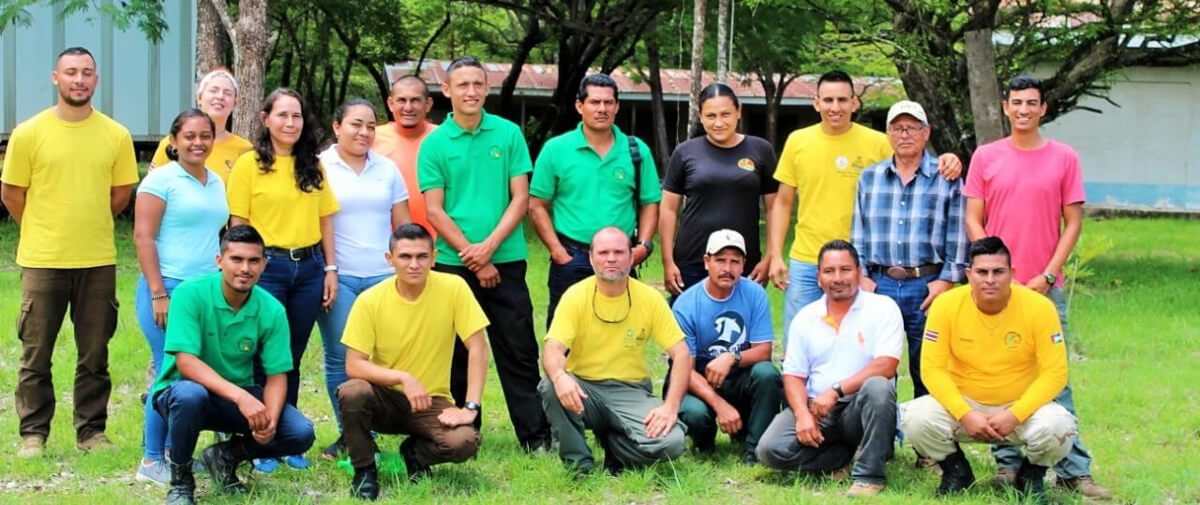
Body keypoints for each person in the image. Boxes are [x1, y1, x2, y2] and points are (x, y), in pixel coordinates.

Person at [963, 75, 1110, 499]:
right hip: (993, 289)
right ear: (1005, 108)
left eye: (1032, 103)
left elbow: (1074, 222)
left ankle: (1074, 470)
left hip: (1045, 286)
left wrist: (1047, 274)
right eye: (1016, 102)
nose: (1024, 109)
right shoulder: (986, 157)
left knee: (1054, 377)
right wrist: (992, 270)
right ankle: (1009, 467)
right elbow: (975, 219)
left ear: (1044, 108)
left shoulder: (1064, 158)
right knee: (1001, 374)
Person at [2, 46, 139, 458]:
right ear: (55, 78)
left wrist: (88, 221)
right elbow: (12, 194)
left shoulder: (116, 135)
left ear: (96, 80)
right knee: (35, 352)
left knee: (95, 353)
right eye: (71, 72)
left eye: (87, 73)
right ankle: (33, 434)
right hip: (43, 260)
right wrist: (44, 227)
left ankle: (91, 432)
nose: (79, 79)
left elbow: (120, 195)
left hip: (97, 260)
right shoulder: (29, 133)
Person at [418, 56, 550, 451]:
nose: (471, 92)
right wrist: (472, 255)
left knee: (519, 350)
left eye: (478, 84)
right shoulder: (435, 144)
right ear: (447, 91)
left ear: (487, 88)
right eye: (462, 85)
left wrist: (489, 250)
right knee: (456, 354)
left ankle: (535, 436)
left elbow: (521, 197)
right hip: (452, 266)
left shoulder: (508, 135)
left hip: (505, 262)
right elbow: (434, 210)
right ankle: (463, 433)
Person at [766, 70, 962, 337]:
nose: (835, 107)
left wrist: (949, 158)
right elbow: (783, 201)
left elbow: (912, 159)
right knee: (800, 339)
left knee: (854, 342)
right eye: (828, 100)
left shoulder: (879, 142)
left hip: (856, 264)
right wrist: (776, 254)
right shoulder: (798, 141)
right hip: (806, 258)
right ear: (816, 103)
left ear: (854, 102)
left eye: (843, 100)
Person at [900, 237, 1077, 502]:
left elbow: (1055, 373)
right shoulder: (946, 305)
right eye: (982, 272)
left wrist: (1015, 414)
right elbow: (932, 369)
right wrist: (966, 414)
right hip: (965, 406)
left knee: (1059, 424)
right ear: (969, 274)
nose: (990, 279)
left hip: (1021, 407)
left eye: (998, 272)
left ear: (1012, 273)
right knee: (915, 417)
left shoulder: (1040, 308)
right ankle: (956, 472)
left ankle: (1030, 477)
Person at [152, 225, 316, 505]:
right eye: (236, 259)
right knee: (190, 395)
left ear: (264, 264)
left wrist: (271, 422)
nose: (245, 268)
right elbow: (186, 362)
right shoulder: (190, 293)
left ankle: (225, 456)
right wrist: (242, 398)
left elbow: (278, 375)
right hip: (182, 392)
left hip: (236, 397)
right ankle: (181, 483)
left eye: (254, 261)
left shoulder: (272, 309)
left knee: (299, 432)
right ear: (219, 261)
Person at [227, 88, 339, 471]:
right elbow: (238, 225)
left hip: (308, 268)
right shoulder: (248, 165)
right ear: (265, 119)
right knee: (260, 356)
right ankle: (257, 437)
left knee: (289, 356)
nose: (290, 123)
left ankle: (289, 438)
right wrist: (241, 270)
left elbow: (326, 220)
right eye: (282, 115)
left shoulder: (313, 165)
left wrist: (330, 269)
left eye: (297, 116)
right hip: (266, 267)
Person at [338, 224, 488, 500]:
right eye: (405, 256)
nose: (414, 264)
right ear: (389, 259)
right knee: (353, 391)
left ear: (434, 257)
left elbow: (478, 347)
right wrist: (403, 378)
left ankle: (415, 453)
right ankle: (365, 471)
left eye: (422, 256)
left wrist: (470, 407)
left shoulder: (454, 287)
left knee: (464, 442)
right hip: (384, 398)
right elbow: (354, 365)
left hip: (432, 401)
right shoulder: (370, 300)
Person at [757, 240, 903, 498]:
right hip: (818, 408)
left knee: (879, 386)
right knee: (770, 451)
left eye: (845, 269)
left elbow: (887, 365)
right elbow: (793, 375)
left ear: (859, 271)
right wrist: (802, 414)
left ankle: (869, 475)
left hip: (859, 405)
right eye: (829, 271)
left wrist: (836, 391)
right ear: (818, 277)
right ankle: (840, 458)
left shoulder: (882, 308)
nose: (838, 278)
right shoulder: (806, 317)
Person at [539, 227, 690, 476]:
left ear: (631, 257)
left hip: (630, 390)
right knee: (551, 387)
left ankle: (616, 445)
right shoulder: (575, 296)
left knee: (671, 444)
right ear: (591, 258)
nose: (611, 258)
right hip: (584, 389)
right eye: (604, 252)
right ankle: (579, 465)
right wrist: (560, 377)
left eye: (619, 252)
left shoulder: (649, 298)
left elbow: (682, 353)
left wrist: (670, 407)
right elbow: (553, 348)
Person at [133, 109, 231, 484]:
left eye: (205, 135)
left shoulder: (216, 181)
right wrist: (158, 293)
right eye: (189, 136)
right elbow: (143, 238)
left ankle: (177, 452)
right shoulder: (161, 181)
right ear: (174, 141)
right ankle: (151, 459)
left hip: (204, 291)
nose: (198, 142)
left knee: (195, 374)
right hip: (168, 287)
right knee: (168, 369)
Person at [850, 100, 968, 403]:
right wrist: (862, 276)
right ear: (888, 133)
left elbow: (957, 235)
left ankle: (926, 444)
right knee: (875, 366)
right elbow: (858, 234)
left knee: (928, 366)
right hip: (879, 282)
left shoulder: (947, 178)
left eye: (913, 127)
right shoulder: (870, 178)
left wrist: (946, 280)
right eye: (897, 128)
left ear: (926, 132)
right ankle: (879, 439)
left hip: (926, 284)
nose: (905, 134)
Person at [314, 99, 411, 461]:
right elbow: (315, 223)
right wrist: (329, 269)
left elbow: (402, 225)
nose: (364, 132)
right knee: (341, 357)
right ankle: (350, 434)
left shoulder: (387, 169)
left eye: (371, 125)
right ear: (337, 126)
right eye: (356, 124)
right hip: (339, 277)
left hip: (384, 277)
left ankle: (382, 426)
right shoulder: (320, 166)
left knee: (381, 357)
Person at [530, 73, 661, 323]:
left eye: (608, 103)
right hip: (572, 254)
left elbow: (650, 203)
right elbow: (536, 206)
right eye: (594, 102)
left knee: (622, 328)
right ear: (580, 106)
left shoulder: (636, 150)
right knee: (565, 333)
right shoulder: (556, 149)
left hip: (621, 256)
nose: (602, 109)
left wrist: (643, 246)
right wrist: (558, 252)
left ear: (617, 106)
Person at [671, 230, 781, 463]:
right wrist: (720, 406)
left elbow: (764, 351)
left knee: (767, 373)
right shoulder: (686, 304)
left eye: (735, 261)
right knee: (695, 412)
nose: (727, 268)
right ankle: (704, 443)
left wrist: (731, 356)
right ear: (706, 261)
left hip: (738, 375)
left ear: (743, 266)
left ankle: (755, 451)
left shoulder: (755, 294)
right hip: (698, 377)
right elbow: (684, 369)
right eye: (720, 260)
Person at [660, 83, 778, 296]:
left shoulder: (761, 150)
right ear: (701, 116)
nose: (719, 123)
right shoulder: (685, 152)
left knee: (739, 325)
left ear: (738, 111)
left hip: (743, 262)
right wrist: (668, 261)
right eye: (711, 116)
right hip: (692, 261)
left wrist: (770, 257)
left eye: (725, 114)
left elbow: (774, 209)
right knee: (687, 328)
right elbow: (669, 208)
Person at [149, 69, 252, 181]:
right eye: (214, 90)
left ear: (235, 103)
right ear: (199, 97)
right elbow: (152, 190)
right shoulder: (172, 144)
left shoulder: (244, 149)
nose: (220, 96)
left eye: (227, 93)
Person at [373, 75, 437, 234]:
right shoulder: (371, 139)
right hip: (387, 242)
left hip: (441, 242)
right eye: (401, 100)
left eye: (415, 100)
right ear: (390, 103)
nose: (408, 107)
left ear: (428, 104)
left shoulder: (444, 138)